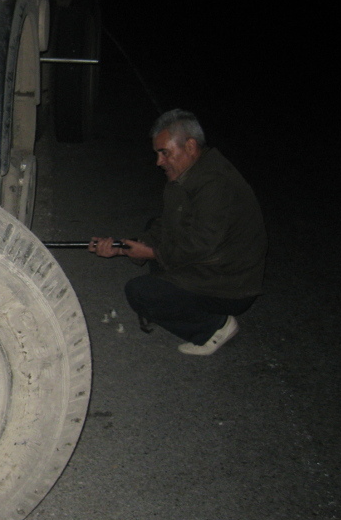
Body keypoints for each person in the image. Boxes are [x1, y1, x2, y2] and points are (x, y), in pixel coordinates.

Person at [89, 109, 266, 356]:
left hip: (229, 284)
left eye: (165, 153)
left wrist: (150, 252)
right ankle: (171, 302)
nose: (159, 162)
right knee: (153, 228)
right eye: (158, 154)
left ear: (190, 146)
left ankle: (214, 327)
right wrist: (125, 247)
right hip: (210, 266)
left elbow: (202, 246)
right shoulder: (188, 175)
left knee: (140, 292)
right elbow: (166, 226)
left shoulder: (215, 183)